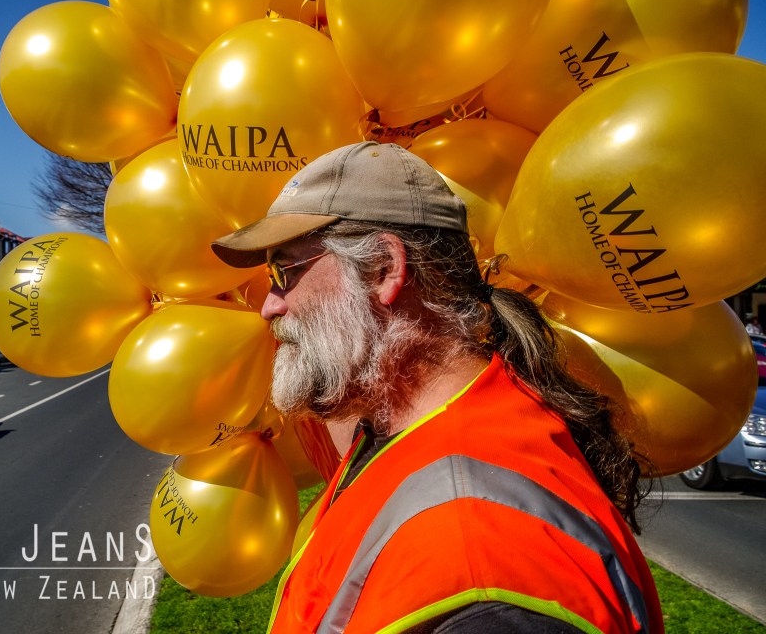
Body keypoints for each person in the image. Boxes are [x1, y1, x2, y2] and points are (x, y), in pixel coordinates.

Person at [212, 141, 663, 634]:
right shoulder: (412, 432)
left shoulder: (480, 558)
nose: (269, 307)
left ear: (384, 269)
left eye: (285, 272)